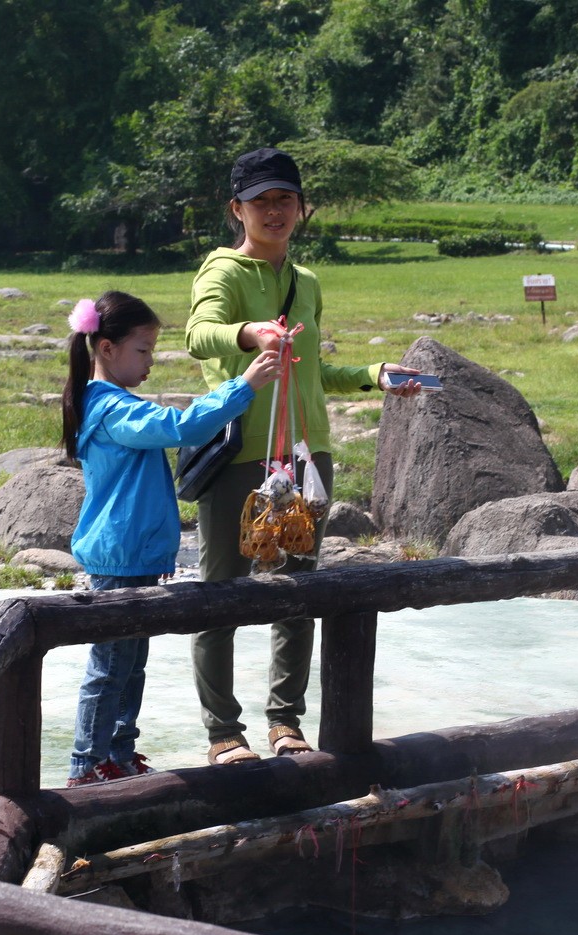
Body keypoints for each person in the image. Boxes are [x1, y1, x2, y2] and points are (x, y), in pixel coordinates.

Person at [186, 146, 422, 766]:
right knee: (222, 592)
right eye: (260, 201)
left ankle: (284, 723)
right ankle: (222, 732)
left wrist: (374, 373)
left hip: (305, 457)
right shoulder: (223, 273)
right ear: (236, 209)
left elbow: (312, 372)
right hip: (239, 453)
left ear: (301, 208)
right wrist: (249, 334)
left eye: (284, 200)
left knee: (296, 590)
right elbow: (198, 334)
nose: (274, 211)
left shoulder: (307, 282)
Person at [63, 290, 279, 786]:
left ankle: (116, 754)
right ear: (107, 349)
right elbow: (179, 427)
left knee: (129, 665)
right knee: (109, 667)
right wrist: (241, 386)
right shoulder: (111, 410)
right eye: (143, 350)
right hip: (118, 558)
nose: (150, 363)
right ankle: (87, 765)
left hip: (132, 555)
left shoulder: (108, 403)